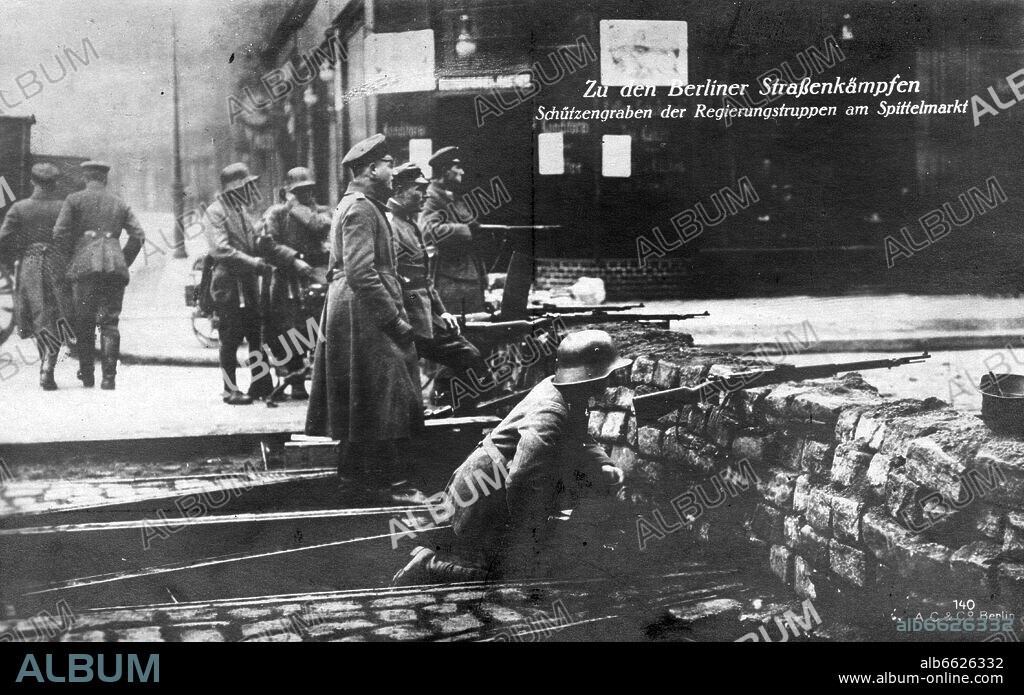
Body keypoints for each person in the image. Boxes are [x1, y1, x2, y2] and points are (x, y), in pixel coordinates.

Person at [392, 329, 630, 586]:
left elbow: (579, 438)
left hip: (493, 482)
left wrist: (604, 464)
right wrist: (530, 535)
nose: (610, 379)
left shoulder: (567, 392)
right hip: (484, 490)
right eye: (607, 373)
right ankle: (431, 564)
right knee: (510, 576)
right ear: (590, 376)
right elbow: (524, 478)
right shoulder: (551, 409)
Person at [305, 134, 425, 504]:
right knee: (386, 391)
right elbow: (360, 272)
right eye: (388, 163)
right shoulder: (361, 208)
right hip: (364, 312)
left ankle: (355, 480)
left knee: (364, 395)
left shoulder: (362, 205)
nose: (393, 170)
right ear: (371, 169)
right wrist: (394, 320)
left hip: (358, 309)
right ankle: (387, 483)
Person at [205, 163, 316, 405]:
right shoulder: (215, 212)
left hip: (247, 283)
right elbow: (221, 249)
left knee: (255, 336)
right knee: (230, 338)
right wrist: (254, 261)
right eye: (246, 186)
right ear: (234, 187)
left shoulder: (241, 211)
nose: (250, 190)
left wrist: (265, 245)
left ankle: (261, 383)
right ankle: (229, 389)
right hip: (228, 284)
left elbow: (255, 240)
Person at [387, 163, 487, 414]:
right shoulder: (389, 225)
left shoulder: (410, 223)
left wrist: (442, 312)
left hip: (424, 316)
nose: (424, 195)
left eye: (424, 189)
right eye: (417, 190)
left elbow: (425, 278)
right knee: (465, 359)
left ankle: (459, 419)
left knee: (470, 357)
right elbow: (394, 280)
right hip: (405, 319)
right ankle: (454, 419)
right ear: (399, 191)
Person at [53, 161, 146, 390]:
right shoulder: (119, 202)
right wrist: (123, 259)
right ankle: (109, 378)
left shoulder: (74, 200)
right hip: (114, 265)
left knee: (84, 321)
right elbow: (139, 234)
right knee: (110, 322)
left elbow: (59, 233)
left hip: (84, 265)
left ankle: (87, 375)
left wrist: (70, 258)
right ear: (105, 179)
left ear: (86, 178)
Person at [260, 167, 332, 400]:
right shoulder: (277, 214)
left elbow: (324, 231)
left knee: (318, 328)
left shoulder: (320, 212)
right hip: (287, 278)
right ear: (290, 191)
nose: (306, 194)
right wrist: (293, 259)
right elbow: (267, 244)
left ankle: (319, 382)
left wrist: (302, 211)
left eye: (309, 189)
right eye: (300, 191)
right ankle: (296, 380)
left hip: (316, 275)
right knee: (289, 329)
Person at [0, 163, 74, 390]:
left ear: (33, 182)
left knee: (35, 314)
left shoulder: (20, 208)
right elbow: (73, 237)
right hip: (57, 263)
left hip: (29, 263)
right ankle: (48, 365)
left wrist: (15, 258)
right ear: (55, 183)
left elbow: (3, 238)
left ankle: (46, 361)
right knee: (58, 314)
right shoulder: (64, 207)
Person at [419, 146, 487, 314]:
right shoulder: (431, 196)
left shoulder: (454, 197)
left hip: (469, 273)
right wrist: (466, 230)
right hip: (449, 277)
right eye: (458, 167)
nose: (462, 172)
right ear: (444, 170)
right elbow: (428, 231)